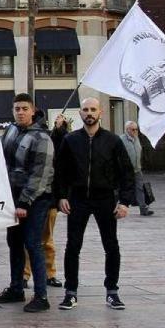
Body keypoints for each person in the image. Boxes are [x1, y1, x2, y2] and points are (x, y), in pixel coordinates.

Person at [55, 97, 135, 311]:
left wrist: (125, 201)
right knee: (73, 246)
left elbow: (127, 173)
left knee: (111, 246)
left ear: (100, 113)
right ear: (80, 113)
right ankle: (70, 292)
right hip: (77, 199)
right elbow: (60, 171)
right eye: (85, 110)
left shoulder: (113, 141)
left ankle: (112, 291)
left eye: (93, 110)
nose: (89, 113)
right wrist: (61, 196)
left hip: (105, 198)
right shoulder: (71, 140)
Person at [0, 93, 55, 313]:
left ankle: (41, 295)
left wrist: (25, 203)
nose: (20, 112)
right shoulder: (10, 131)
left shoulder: (42, 138)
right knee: (14, 243)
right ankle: (16, 287)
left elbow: (41, 174)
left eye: (24, 109)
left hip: (35, 200)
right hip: (12, 197)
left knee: (33, 244)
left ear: (33, 110)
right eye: (17, 108)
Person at [25, 114, 70, 288]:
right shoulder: (26, 139)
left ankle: (50, 273)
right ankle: (25, 274)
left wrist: (60, 130)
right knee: (29, 241)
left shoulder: (52, 139)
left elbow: (62, 155)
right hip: (28, 198)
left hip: (49, 198)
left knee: (46, 239)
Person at [123, 121, 154, 216]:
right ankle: (114, 208)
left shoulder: (137, 139)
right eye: (133, 129)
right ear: (127, 130)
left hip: (137, 170)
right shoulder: (121, 140)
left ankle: (143, 209)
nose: (135, 131)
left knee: (140, 188)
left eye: (137, 129)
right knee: (121, 189)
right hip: (125, 170)